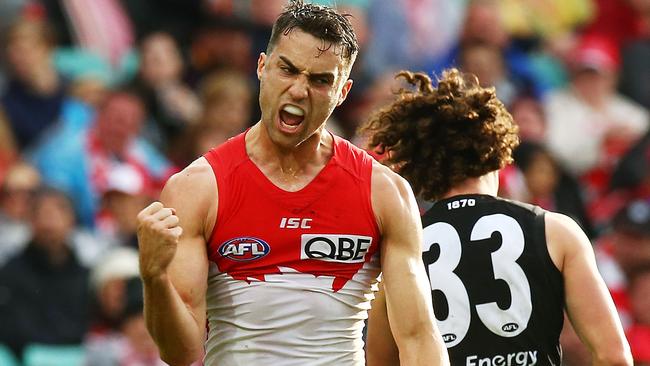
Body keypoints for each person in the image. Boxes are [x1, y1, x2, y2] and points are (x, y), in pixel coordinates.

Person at [136, 1, 448, 366]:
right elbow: (181, 352)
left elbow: (418, 337)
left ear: (343, 92)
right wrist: (154, 278)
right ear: (262, 67)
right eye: (287, 70)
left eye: (319, 80)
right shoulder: (199, 187)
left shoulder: (384, 192)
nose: (299, 90)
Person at [361, 68, 632, 365]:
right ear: (498, 150)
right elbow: (613, 357)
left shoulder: (400, 246)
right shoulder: (556, 230)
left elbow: (379, 361)